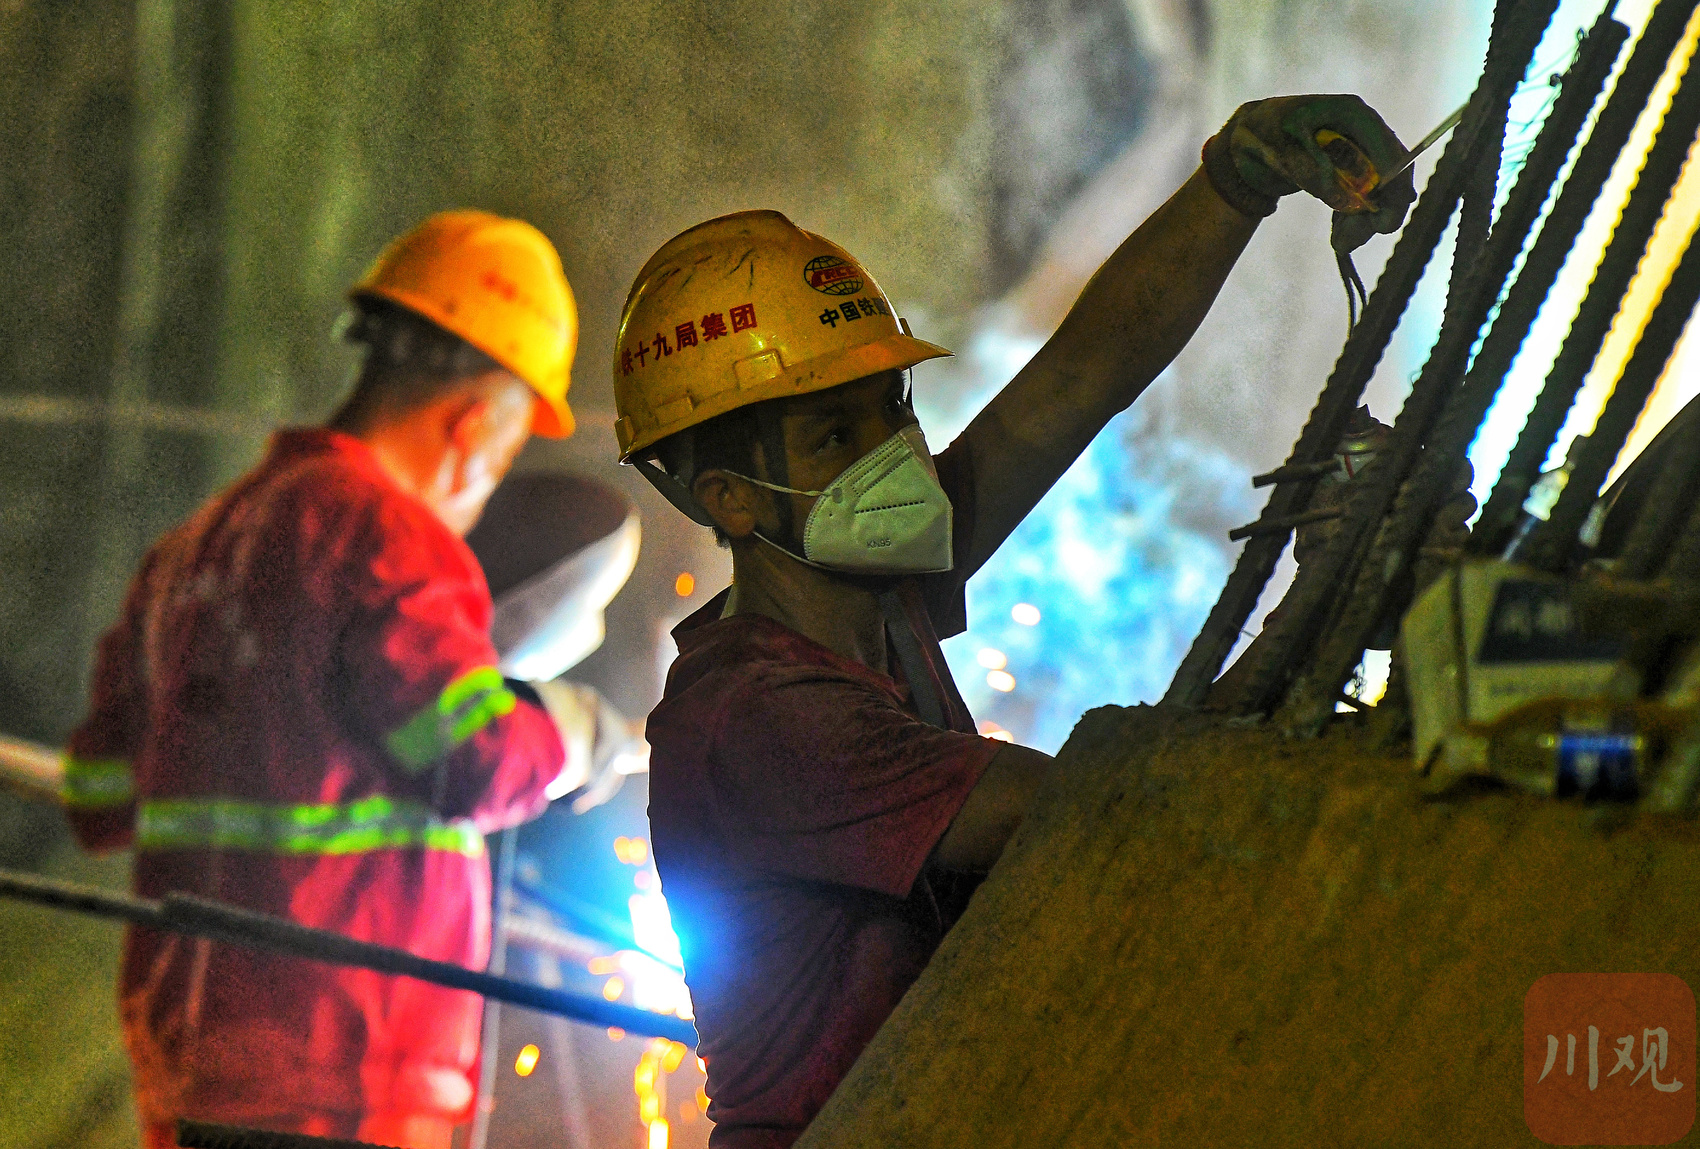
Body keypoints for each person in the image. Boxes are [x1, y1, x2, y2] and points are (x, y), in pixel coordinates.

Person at [614, 96, 1415, 1147]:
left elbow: (1083, 374)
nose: (887, 452)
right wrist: (1319, 599)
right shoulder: (759, 720)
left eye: (888, 409)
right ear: (728, 498)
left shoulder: (873, 599)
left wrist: (1235, 181)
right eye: (829, 434)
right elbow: (1101, 810)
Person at [60, 210, 605, 1149]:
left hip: (191, 1065)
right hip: (344, 1074)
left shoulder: (194, 548)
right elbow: (473, 764)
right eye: (509, 454)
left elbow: (95, 793)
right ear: (477, 426)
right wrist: (581, 730)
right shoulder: (394, 542)